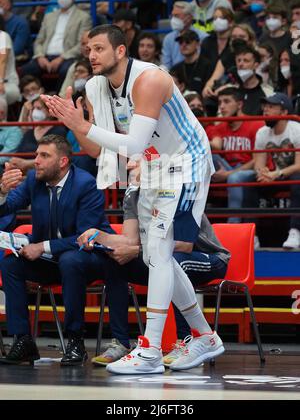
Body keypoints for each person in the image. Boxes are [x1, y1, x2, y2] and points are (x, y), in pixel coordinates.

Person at [42, 24, 224, 375]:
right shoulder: (97, 88)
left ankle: (152, 349)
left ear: (121, 51)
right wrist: (75, 126)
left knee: (157, 250)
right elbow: (97, 149)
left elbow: (135, 144)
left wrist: (82, 126)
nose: (91, 56)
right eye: (88, 50)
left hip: (186, 160)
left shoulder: (149, 79)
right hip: (156, 163)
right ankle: (203, 334)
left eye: (98, 49)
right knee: (160, 253)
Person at [77, 163, 230, 368]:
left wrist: (138, 251)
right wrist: (99, 235)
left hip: (208, 257)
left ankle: (186, 342)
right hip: (160, 253)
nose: (130, 164)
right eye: (129, 160)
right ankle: (121, 342)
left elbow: (184, 244)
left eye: (136, 160)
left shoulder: (175, 186)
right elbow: (130, 241)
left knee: (174, 261)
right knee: (114, 263)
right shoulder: (133, 195)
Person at [0, 134, 113, 366]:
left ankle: (75, 341)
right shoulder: (34, 180)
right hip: (53, 260)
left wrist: (41, 247)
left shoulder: (85, 184)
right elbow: (8, 207)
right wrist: (2, 192)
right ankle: (23, 341)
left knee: (70, 260)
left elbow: (84, 238)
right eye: (36, 155)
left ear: (62, 162)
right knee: (11, 264)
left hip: (90, 258)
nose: (36, 161)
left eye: (44, 155)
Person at [244, 93, 300, 250]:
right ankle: (251, 234)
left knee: (298, 179)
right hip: (276, 176)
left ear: (283, 113)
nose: (265, 110)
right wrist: (263, 174)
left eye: (271, 107)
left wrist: (276, 174)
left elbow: (299, 164)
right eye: (265, 107)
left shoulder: (296, 129)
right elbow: (259, 163)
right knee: (249, 181)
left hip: (291, 174)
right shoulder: (262, 132)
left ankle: (295, 231)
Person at [19, 0, 92, 88]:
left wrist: (61, 58)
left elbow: (81, 45)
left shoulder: (83, 17)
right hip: (45, 56)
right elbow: (39, 40)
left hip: (68, 57)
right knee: (24, 70)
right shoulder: (49, 16)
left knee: (66, 71)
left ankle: (59, 101)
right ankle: (33, 101)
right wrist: (39, 56)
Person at [208, 86, 264, 223]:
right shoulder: (219, 127)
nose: (222, 107)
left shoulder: (256, 124)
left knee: (235, 177)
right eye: (220, 102)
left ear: (239, 104)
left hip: (249, 169)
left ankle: (233, 226)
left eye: (227, 102)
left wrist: (228, 175)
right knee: (210, 156)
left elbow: (257, 160)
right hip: (228, 168)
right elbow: (215, 146)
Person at [161, 0, 208, 70]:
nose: (173, 19)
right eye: (172, 15)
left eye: (176, 16)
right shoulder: (168, 38)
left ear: (189, 18)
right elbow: (166, 65)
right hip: (174, 76)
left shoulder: (203, 37)